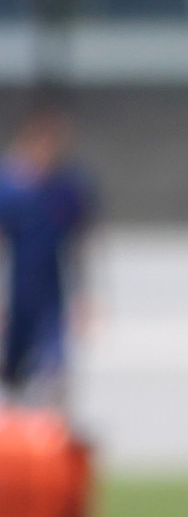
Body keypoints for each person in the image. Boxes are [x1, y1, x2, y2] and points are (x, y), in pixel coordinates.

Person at [0, 96, 96, 412]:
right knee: (12, 376)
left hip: (50, 296)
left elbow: (78, 243)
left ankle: (49, 449)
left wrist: (84, 295)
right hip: (16, 293)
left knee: (54, 374)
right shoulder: (11, 187)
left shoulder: (67, 189)